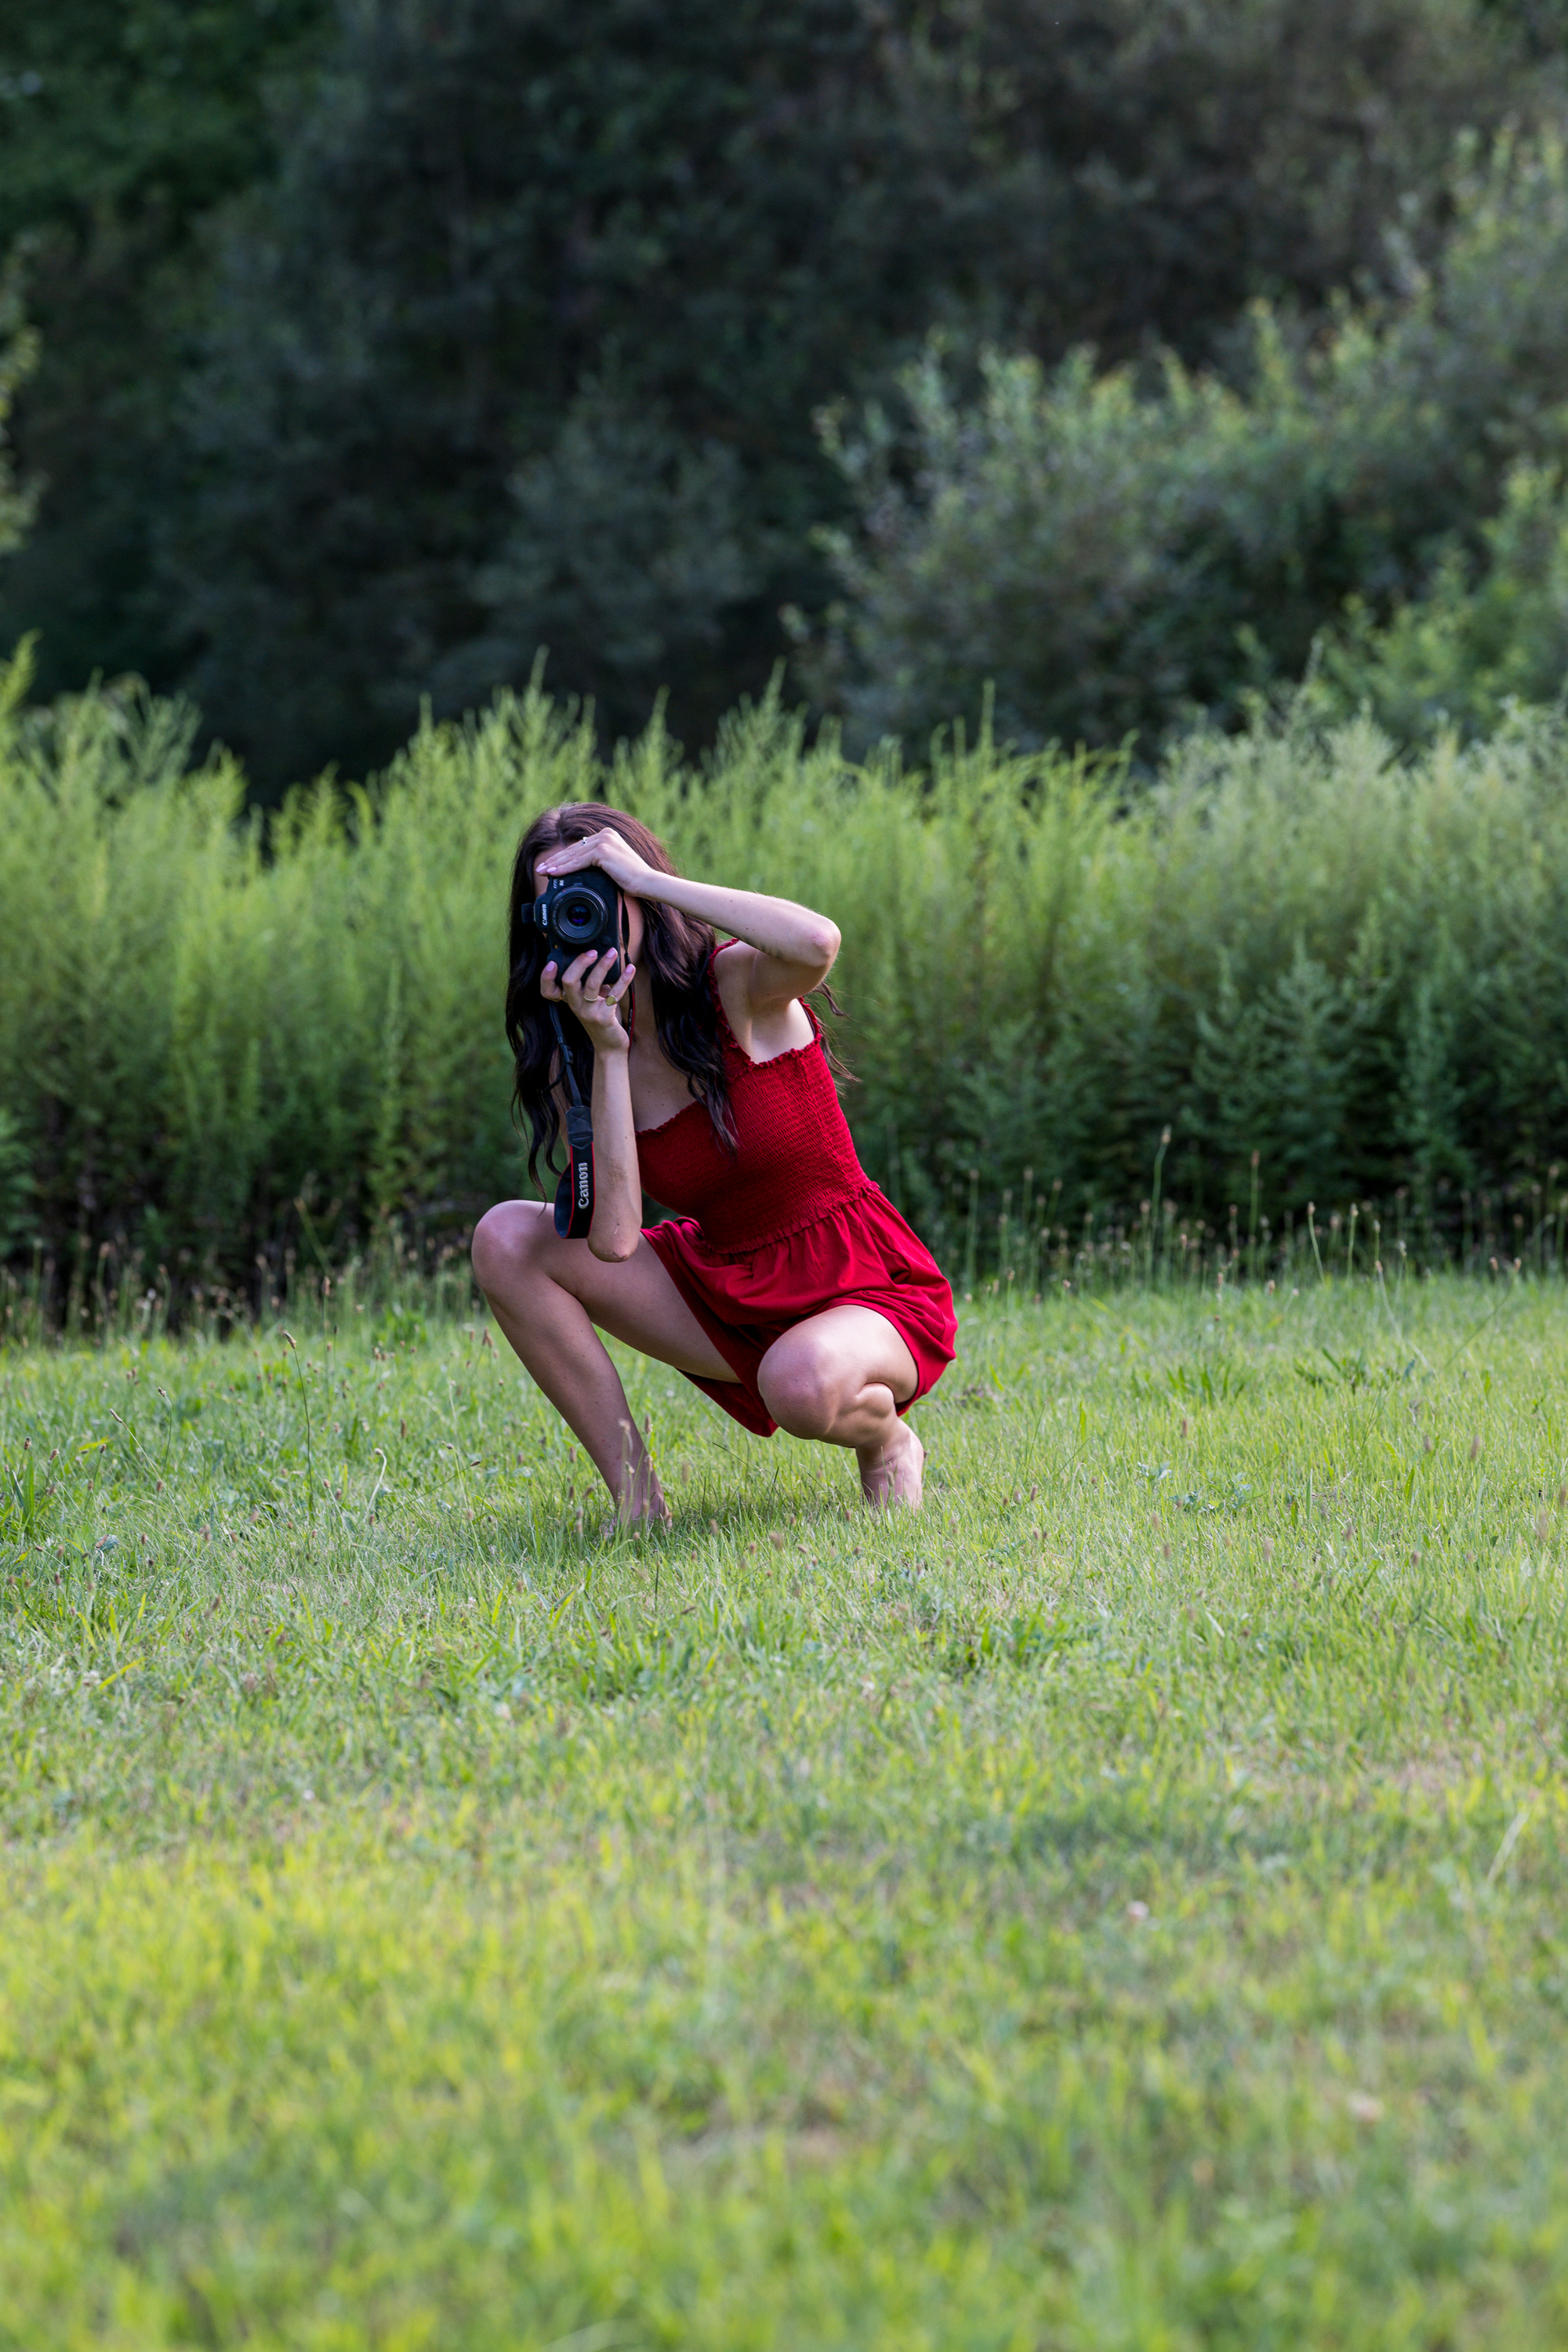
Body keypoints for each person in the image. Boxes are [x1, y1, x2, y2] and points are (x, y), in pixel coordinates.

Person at [471, 802, 956, 1523]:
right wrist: (606, 1053)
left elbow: (817, 941)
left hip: (859, 1282)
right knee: (506, 1237)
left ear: (636, 889)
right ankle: (638, 1504)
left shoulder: (734, 986)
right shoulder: (574, 1048)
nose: (584, 917)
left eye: (598, 891)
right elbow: (614, 1241)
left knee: (798, 1384)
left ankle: (888, 1443)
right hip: (727, 1287)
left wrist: (650, 881)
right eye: (560, 906)